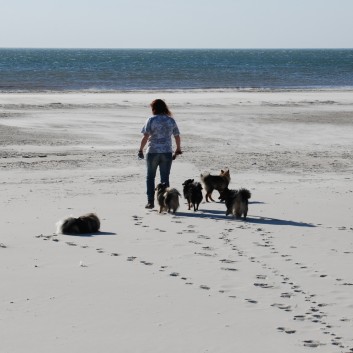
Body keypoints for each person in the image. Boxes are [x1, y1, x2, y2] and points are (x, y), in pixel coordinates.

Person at [138, 99, 182, 209]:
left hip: (153, 151)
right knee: (165, 178)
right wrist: (178, 149)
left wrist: (140, 149)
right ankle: (166, 203)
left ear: (154, 108)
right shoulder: (170, 120)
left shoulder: (151, 120)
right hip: (167, 152)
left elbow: (146, 136)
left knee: (150, 177)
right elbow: (177, 136)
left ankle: (150, 202)